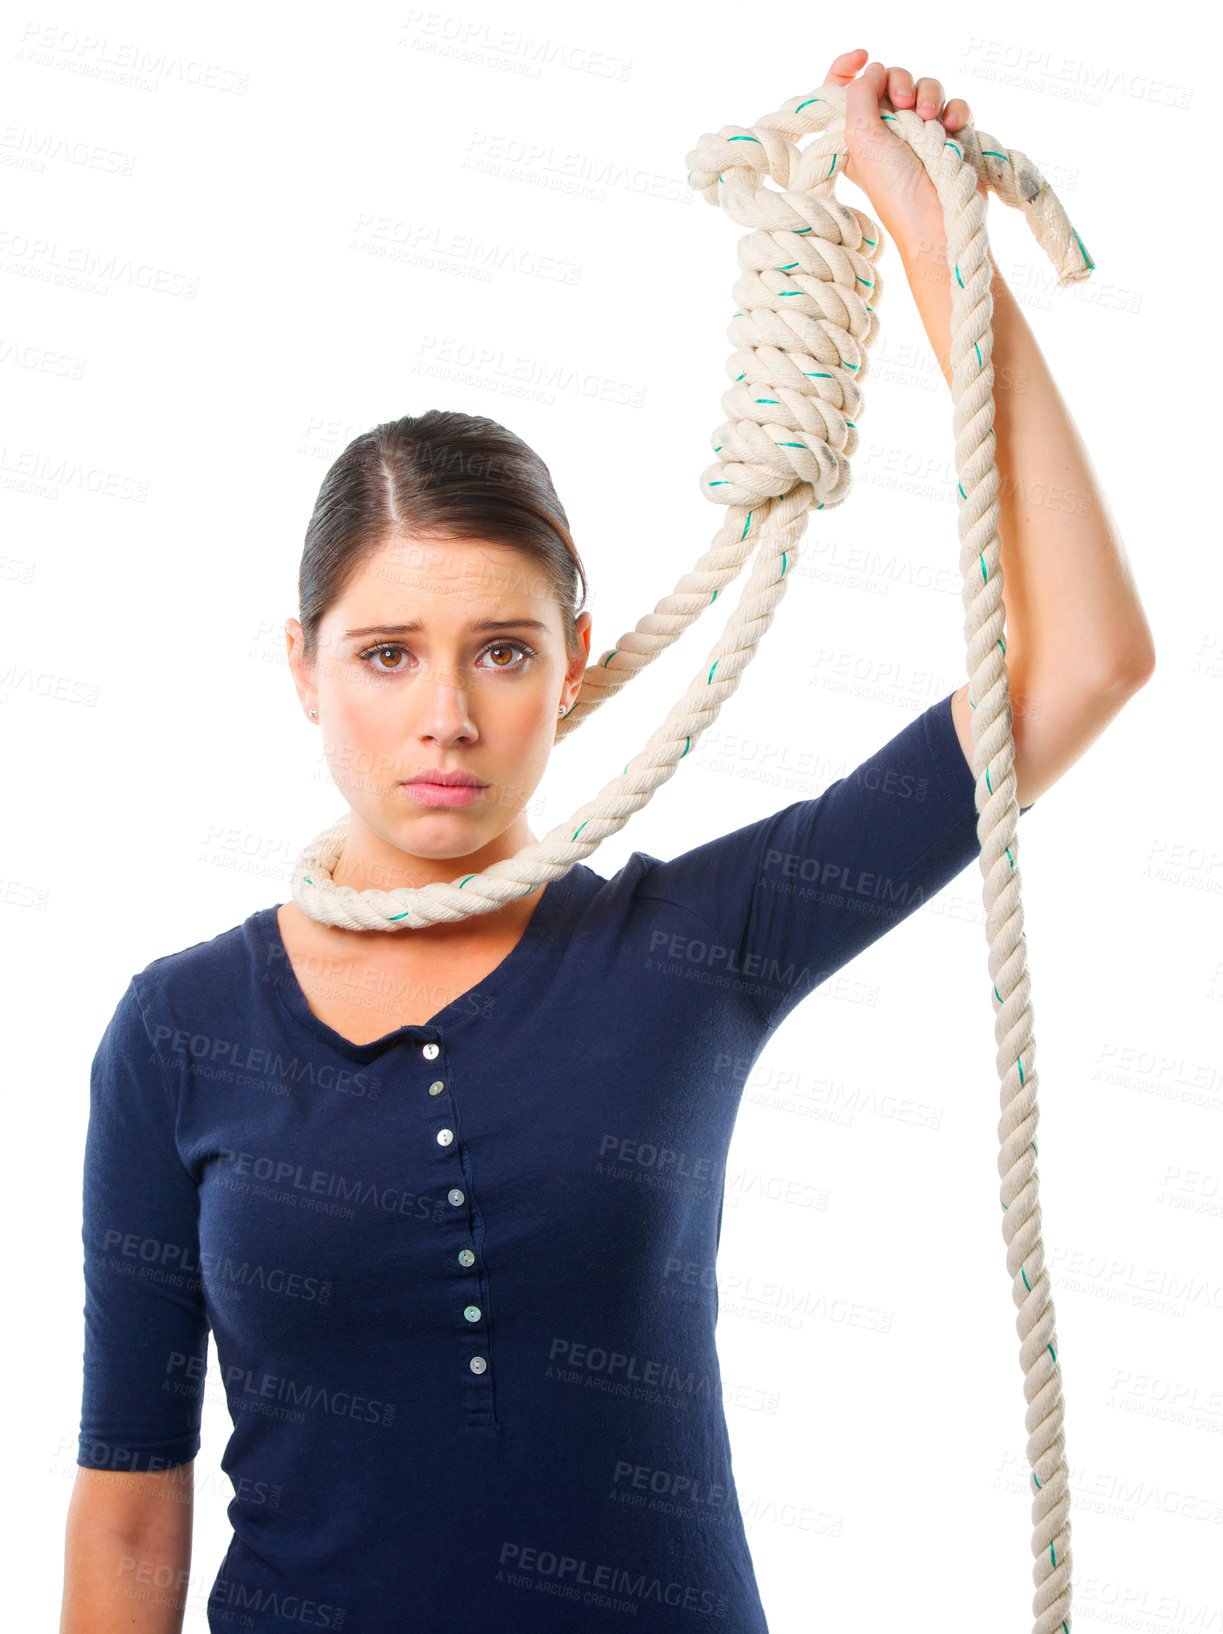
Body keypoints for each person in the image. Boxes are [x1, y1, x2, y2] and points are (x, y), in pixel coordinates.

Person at [60, 52, 1156, 1634]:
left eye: (501, 650)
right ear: (301, 664)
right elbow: (127, 1512)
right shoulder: (175, 1033)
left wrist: (937, 258)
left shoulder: (696, 943)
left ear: (574, 662)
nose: (446, 712)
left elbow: (1080, 668)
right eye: (388, 653)